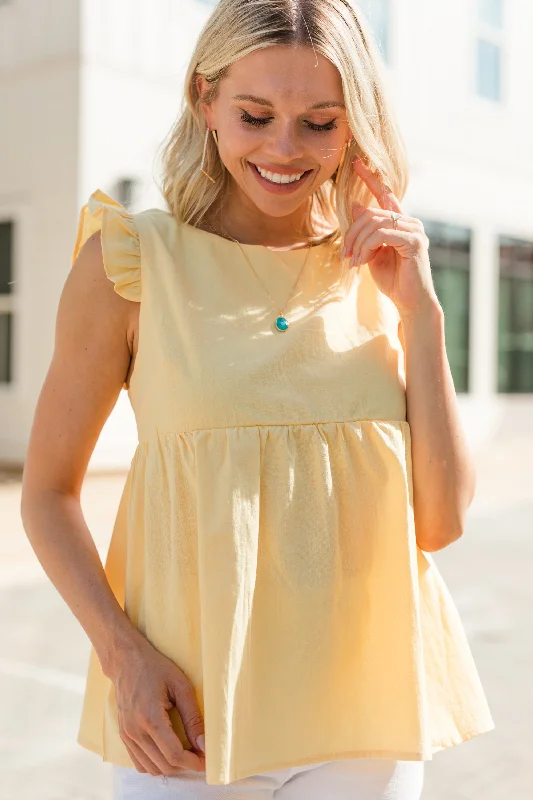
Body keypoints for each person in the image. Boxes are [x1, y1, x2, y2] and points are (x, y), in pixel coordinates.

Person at [20, 0, 494, 797]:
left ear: (355, 127)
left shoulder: (381, 269)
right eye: (254, 114)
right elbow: (47, 492)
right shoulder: (132, 262)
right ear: (205, 100)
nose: (284, 148)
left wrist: (423, 315)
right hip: (187, 715)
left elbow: (440, 522)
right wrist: (122, 654)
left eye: (320, 121)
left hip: (365, 717)